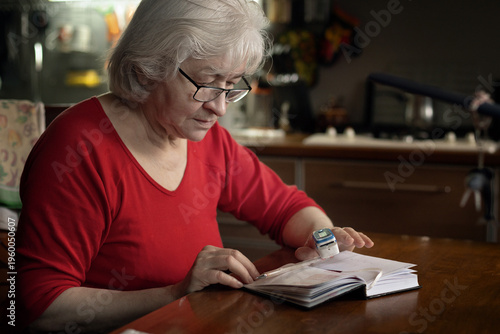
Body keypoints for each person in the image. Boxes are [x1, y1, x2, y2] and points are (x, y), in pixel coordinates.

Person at [16, 0, 373, 332]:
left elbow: (288, 208)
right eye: (206, 85)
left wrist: (324, 238)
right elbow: (39, 306)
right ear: (146, 71)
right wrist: (176, 294)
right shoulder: (79, 149)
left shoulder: (206, 139)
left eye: (231, 86)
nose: (220, 108)